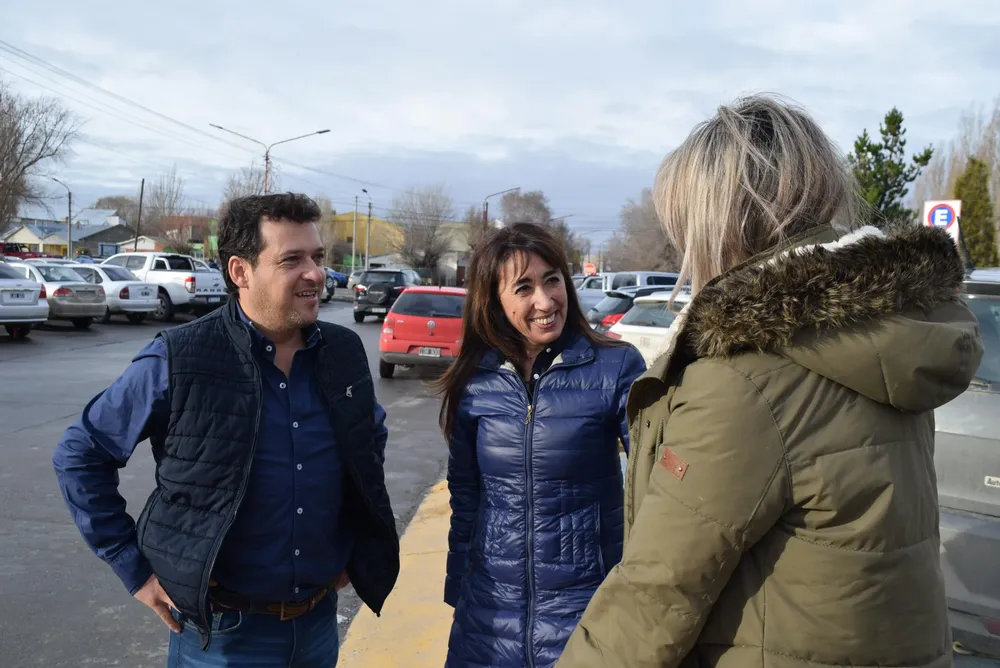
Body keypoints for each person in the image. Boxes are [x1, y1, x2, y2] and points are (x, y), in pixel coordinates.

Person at [557, 95, 984, 668]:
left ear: (723, 221)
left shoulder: (747, 375)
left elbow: (653, 595)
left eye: (684, 222)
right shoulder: (881, 333)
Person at [52, 193, 400, 667]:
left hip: (318, 626)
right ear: (240, 272)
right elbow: (81, 454)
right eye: (291, 260)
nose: (316, 274)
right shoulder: (180, 357)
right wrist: (134, 570)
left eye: (317, 257)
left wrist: (354, 540)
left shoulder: (343, 352)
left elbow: (367, 442)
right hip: (223, 638)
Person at [436, 222, 646, 668]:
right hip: (489, 619)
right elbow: (467, 499)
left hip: (588, 611)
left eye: (552, 280)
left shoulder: (615, 366)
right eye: (524, 287)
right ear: (493, 299)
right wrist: (460, 592)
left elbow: (657, 485)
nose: (545, 301)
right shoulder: (475, 379)